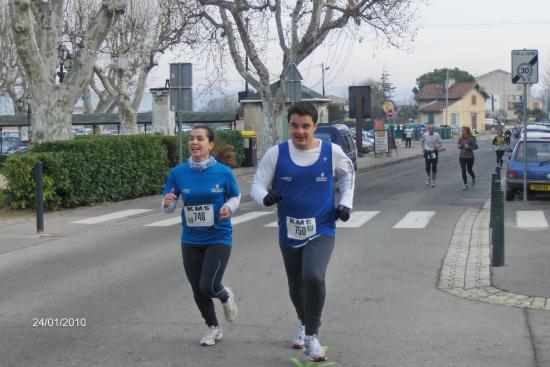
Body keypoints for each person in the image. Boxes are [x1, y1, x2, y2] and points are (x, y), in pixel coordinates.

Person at [251, 101, 355, 362]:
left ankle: (311, 335)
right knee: (296, 286)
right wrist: (265, 198)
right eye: (295, 126)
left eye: (306, 126)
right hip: (289, 230)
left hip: (322, 227)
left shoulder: (331, 151)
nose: (300, 132)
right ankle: (302, 320)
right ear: (289, 126)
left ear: (315, 127)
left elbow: (348, 175)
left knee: (313, 276)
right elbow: (257, 184)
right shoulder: (276, 154)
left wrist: (345, 203)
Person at [162, 126, 240, 346]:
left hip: (218, 236)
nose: (194, 142)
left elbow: (235, 196)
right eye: (191, 139)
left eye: (200, 138)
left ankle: (224, 295)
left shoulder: (223, 172)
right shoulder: (178, 173)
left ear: (210, 144)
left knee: (209, 285)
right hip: (190, 239)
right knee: (197, 288)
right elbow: (168, 203)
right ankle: (213, 327)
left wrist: (228, 207)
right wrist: (167, 204)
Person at [457, 126, 479, 190]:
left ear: (466, 131)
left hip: (470, 157)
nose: (462, 132)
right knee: (463, 170)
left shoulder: (471, 139)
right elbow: (458, 146)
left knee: (469, 170)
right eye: (462, 130)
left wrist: (469, 147)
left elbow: (476, 147)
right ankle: (465, 184)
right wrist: (459, 146)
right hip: (462, 157)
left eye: (463, 130)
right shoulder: (461, 139)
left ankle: (473, 177)